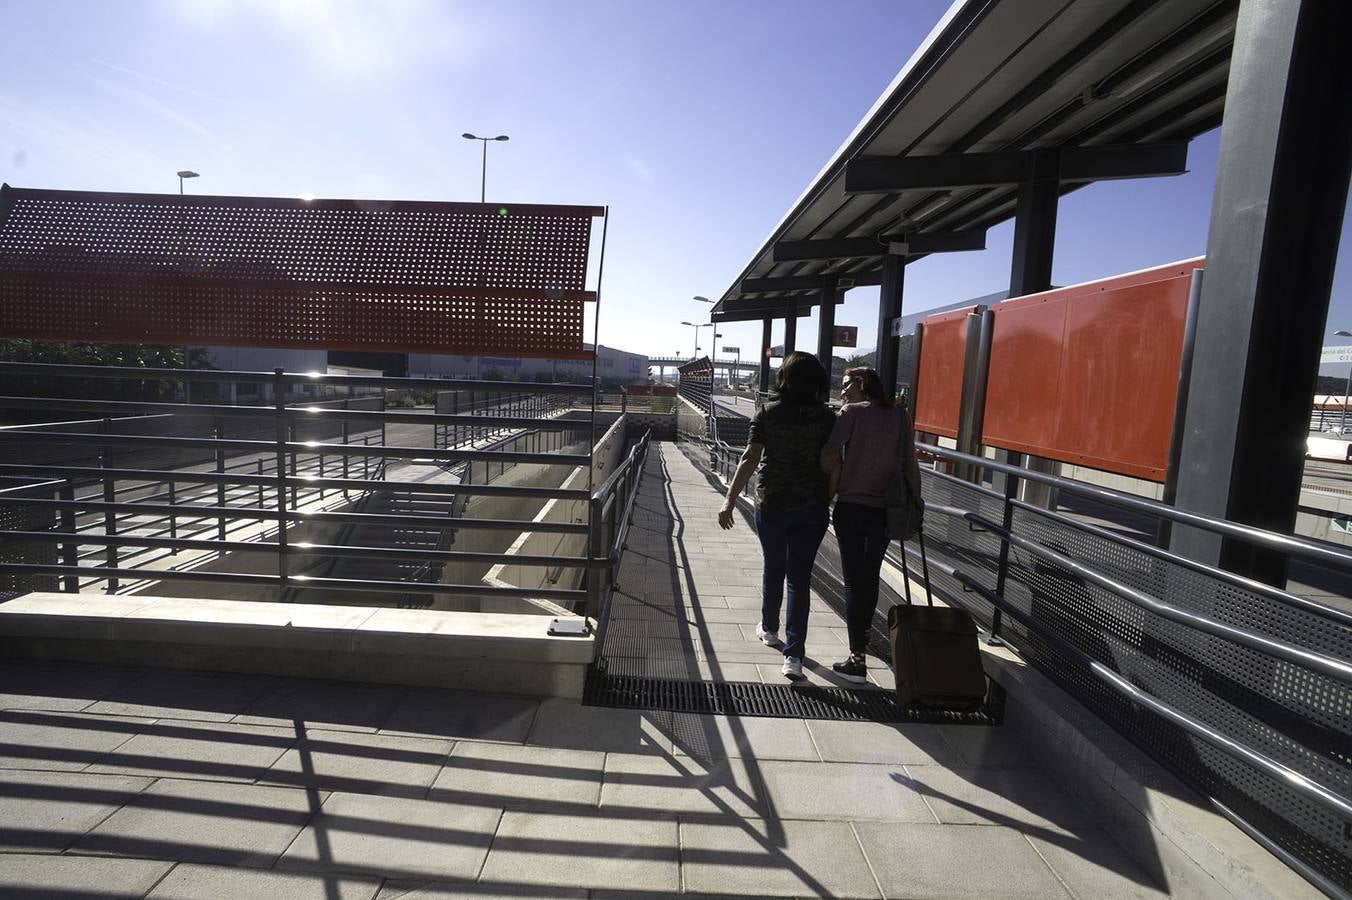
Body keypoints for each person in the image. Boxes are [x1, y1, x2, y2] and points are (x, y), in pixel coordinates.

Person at [717, 352, 835, 680]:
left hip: (772, 502)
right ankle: (794, 655)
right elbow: (833, 460)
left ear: (785, 377)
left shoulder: (768, 413)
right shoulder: (826, 418)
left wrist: (729, 499)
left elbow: (750, 456)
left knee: (774, 566)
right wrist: (830, 496)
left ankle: (769, 628)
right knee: (800, 578)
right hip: (812, 504)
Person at [819, 366, 914, 684]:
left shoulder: (851, 413)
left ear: (862, 385)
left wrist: (832, 476)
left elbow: (830, 451)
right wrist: (915, 505)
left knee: (852, 581)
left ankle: (856, 658)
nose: (843, 391)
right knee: (869, 578)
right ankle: (861, 647)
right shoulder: (900, 415)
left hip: (851, 507)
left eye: (847, 385)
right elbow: (910, 461)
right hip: (885, 510)